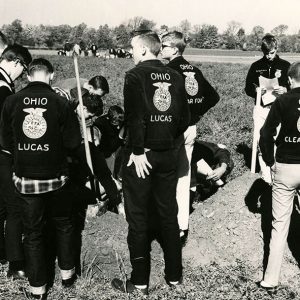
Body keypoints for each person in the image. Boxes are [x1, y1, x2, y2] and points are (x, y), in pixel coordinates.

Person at [111, 31, 190, 296]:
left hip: (141, 156)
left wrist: (139, 151)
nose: (131, 53)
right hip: (168, 153)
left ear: (144, 50)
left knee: (138, 216)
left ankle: (140, 282)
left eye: (133, 48)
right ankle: (175, 277)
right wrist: (167, 143)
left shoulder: (135, 75)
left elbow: (134, 117)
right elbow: (184, 119)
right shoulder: (176, 76)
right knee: (168, 215)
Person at [0, 58, 82, 299]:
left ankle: (38, 289)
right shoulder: (61, 102)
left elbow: (5, 142)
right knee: (64, 224)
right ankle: (67, 276)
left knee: (33, 232)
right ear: (52, 75)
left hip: (26, 179)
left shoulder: (12, 101)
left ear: (27, 76)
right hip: (56, 178)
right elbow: (72, 142)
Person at [161, 31, 220, 244]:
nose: (161, 49)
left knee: (166, 176)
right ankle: (181, 227)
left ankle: (166, 225)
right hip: (190, 129)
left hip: (173, 131)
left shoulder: (167, 71)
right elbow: (213, 97)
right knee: (184, 177)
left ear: (175, 49)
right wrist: (196, 114)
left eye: (164, 45)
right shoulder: (194, 70)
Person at [258, 62, 300, 294]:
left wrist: (268, 160)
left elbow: (266, 132)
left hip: (285, 165)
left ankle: (270, 280)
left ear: (291, 80)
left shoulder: (283, 100)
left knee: (279, 225)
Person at [0, 44, 32, 278]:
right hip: (2, 154)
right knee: (14, 208)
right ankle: (16, 263)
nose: (22, 74)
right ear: (16, 63)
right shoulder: (3, 89)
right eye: (23, 68)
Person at [245, 34, 290, 184]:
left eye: (271, 53)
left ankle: (278, 172)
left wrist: (285, 90)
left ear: (276, 49)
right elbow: (247, 88)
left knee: (278, 139)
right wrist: (257, 91)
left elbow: (293, 87)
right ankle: (266, 176)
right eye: (266, 53)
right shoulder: (256, 66)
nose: (269, 56)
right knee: (260, 139)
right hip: (261, 107)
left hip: (280, 109)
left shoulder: (285, 65)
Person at [71, 89, 124, 216]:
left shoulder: (92, 137)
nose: (89, 119)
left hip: (91, 154)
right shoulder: (67, 114)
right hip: (72, 161)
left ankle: (116, 203)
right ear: (83, 108)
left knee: (108, 180)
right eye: (89, 116)